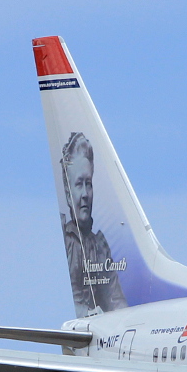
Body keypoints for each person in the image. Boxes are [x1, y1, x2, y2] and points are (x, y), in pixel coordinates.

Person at [60, 132, 128, 313]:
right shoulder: (66, 243)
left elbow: (117, 303)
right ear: (68, 193)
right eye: (79, 184)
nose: (84, 194)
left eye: (88, 184)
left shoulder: (100, 247)